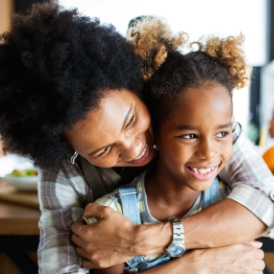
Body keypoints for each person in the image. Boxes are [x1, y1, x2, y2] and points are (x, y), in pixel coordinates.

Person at [0, 2, 272, 273]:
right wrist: (194, 266)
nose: (133, 149)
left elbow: (267, 201)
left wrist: (140, 240)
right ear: (70, 150)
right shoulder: (65, 175)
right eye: (103, 149)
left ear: (135, 86)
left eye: (131, 120)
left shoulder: (191, 118)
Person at [83, 18, 263, 273]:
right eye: (189, 136)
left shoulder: (232, 206)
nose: (209, 153)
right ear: (153, 133)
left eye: (222, 133)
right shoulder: (112, 217)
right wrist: (192, 266)